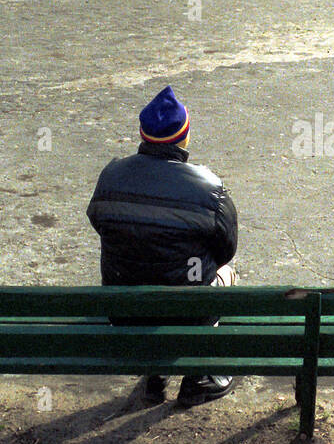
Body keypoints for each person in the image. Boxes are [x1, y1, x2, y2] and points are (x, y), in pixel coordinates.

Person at [86, 86, 239, 406]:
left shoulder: (111, 176)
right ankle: (200, 375)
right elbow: (226, 249)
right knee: (227, 272)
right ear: (184, 137)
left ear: (143, 135)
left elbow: (99, 222)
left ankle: (156, 370)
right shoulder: (210, 188)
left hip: (124, 314)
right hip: (186, 316)